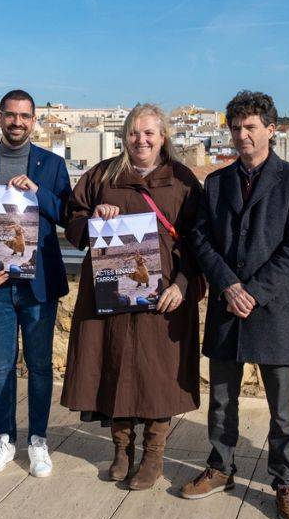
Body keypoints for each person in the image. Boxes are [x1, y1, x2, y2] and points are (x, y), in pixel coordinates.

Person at [183, 90, 289, 519]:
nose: (242, 135)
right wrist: (228, 285)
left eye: (251, 127)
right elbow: (201, 238)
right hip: (227, 306)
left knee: (283, 407)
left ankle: (284, 481)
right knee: (221, 400)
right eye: (237, 127)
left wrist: (253, 291)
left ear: (271, 130)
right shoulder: (217, 182)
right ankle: (221, 466)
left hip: (272, 310)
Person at [61, 103, 204, 490]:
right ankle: (121, 450)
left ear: (163, 138)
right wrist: (94, 220)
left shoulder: (183, 180)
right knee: (115, 369)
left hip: (164, 298)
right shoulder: (103, 176)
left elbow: (201, 243)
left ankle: (153, 456)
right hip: (111, 297)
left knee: (158, 378)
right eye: (133, 133)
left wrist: (184, 285)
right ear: (124, 136)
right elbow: (72, 221)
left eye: (149, 133)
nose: (140, 140)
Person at [0, 89, 71, 478]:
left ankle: (38, 440)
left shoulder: (52, 165)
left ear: (34, 120)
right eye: (10, 115)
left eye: (25, 116)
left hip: (38, 286)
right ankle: (5, 438)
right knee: (1, 365)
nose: (17, 122)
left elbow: (69, 216)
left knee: (40, 367)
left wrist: (40, 195)